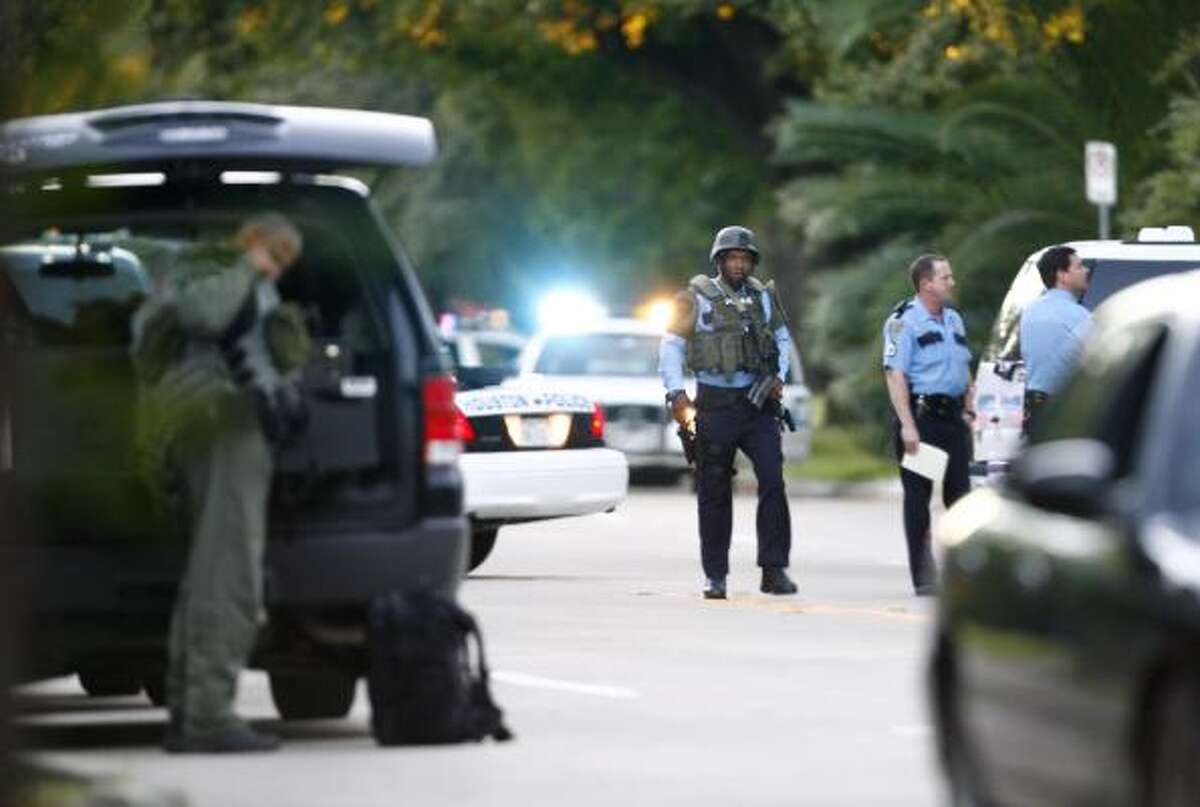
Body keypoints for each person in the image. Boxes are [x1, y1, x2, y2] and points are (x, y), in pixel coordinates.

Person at [133, 212, 308, 753]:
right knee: (229, 576)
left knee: (207, 574)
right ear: (253, 241)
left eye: (283, 264)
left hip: (218, 426)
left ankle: (190, 712)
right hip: (223, 426)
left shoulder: (221, 274)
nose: (275, 270)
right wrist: (249, 266)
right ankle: (208, 718)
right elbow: (204, 316)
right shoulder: (216, 272)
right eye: (275, 255)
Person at [659, 225, 798, 600]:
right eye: (732, 258)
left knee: (773, 480)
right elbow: (671, 345)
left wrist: (779, 377)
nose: (739, 264)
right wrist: (676, 392)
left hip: (757, 404)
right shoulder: (695, 298)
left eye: (745, 258)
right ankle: (715, 575)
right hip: (715, 403)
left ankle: (774, 570)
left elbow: (782, 338)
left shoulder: (763, 297)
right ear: (719, 261)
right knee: (714, 489)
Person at [882, 254, 974, 596]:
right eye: (945, 277)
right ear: (926, 284)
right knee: (919, 499)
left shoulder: (953, 319)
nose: (952, 282)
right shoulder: (903, 322)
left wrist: (969, 407)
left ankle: (963, 572)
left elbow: (963, 365)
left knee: (960, 499)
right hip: (923, 421)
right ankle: (924, 576)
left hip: (953, 420)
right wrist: (908, 426)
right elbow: (895, 375)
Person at [1019, 245, 1092, 434]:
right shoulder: (1078, 315)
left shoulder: (1029, 311)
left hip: (1034, 407)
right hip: (1065, 410)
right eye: (1079, 266)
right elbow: (1101, 360)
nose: (1086, 270)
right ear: (1062, 275)